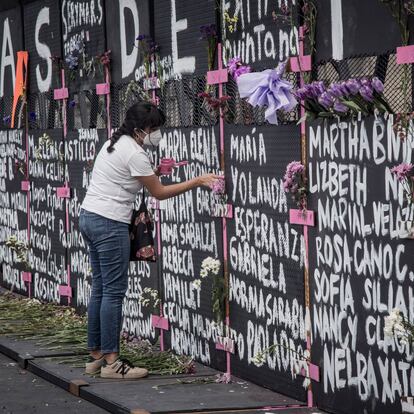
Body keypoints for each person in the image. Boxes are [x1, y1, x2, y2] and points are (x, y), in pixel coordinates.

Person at [79, 101, 221, 379]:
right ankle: (112, 362)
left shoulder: (116, 143)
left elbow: (127, 179)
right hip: (109, 224)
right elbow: (159, 194)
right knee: (113, 292)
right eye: (153, 128)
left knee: (100, 288)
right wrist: (196, 181)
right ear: (140, 128)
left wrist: (153, 173)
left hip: (89, 217)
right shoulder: (135, 153)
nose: (156, 133)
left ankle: (96, 356)